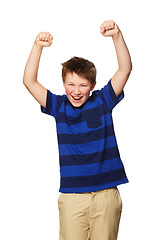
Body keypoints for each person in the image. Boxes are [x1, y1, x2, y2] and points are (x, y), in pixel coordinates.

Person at [23, 20, 132, 240]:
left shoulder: (103, 101)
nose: (76, 91)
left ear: (92, 85)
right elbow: (29, 81)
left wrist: (117, 36)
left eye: (83, 85)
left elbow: (125, 69)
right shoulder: (58, 106)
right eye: (71, 84)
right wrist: (37, 46)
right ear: (63, 84)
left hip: (106, 195)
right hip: (72, 198)